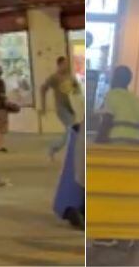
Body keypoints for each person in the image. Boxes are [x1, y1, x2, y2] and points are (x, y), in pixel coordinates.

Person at [53, 75, 87, 229]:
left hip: (80, 132)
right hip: (79, 131)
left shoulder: (78, 97)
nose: (63, 90)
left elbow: (81, 115)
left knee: (81, 174)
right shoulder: (74, 96)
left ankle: (81, 210)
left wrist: (78, 126)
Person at [40, 56, 79, 160]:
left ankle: (56, 148)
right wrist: (43, 106)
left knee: (73, 131)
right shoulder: (54, 77)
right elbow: (43, 89)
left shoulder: (71, 77)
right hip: (61, 108)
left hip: (71, 108)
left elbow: (77, 91)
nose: (66, 66)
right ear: (59, 65)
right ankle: (54, 147)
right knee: (71, 130)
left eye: (67, 64)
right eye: (64, 64)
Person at [96, 65, 139, 145]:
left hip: (116, 143)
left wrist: (96, 144)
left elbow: (106, 122)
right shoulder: (137, 100)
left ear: (115, 78)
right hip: (135, 145)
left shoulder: (112, 95)